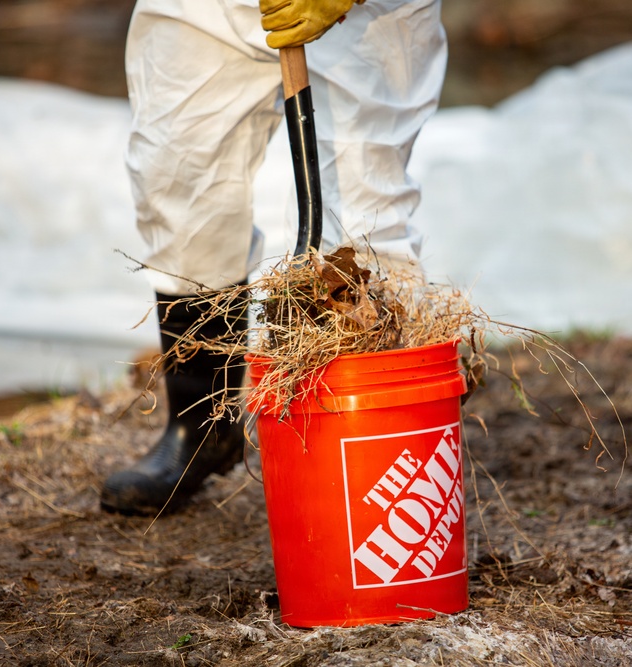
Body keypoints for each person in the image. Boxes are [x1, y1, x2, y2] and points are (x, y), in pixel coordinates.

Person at [100, 0, 448, 515]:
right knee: (176, 175)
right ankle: (201, 428)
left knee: (361, 213)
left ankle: (371, 458)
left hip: (363, 13)